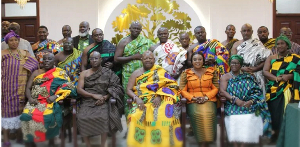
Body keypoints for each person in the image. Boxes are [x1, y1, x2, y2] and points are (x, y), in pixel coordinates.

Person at [126, 51, 183, 147]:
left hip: (160, 98)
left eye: (150, 58)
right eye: (145, 58)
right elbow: (128, 89)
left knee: (164, 115)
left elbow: (172, 84)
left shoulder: (161, 71)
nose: (148, 60)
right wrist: (136, 98)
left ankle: (164, 143)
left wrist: (160, 96)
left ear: (154, 59)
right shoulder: (136, 73)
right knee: (135, 116)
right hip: (141, 100)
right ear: (141, 60)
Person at [20, 53, 77, 146]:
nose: (46, 61)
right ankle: (31, 143)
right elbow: (28, 88)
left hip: (50, 102)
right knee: (26, 116)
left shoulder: (59, 73)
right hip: (35, 102)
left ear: (54, 61)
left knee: (49, 117)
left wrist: (55, 96)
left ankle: (51, 142)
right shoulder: (36, 73)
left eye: (49, 59)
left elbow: (69, 86)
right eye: (45, 59)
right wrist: (30, 98)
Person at [220, 55, 272, 147]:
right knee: (234, 118)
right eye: (232, 63)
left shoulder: (248, 76)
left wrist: (251, 101)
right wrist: (235, 100)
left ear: (241, 65)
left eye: (237, 63)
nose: (234, 65)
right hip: (233, 104)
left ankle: (243, 144)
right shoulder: (225, 77)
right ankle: (235, 144)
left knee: (250, 117)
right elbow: (222, 92)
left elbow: (256, 91)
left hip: (247, 103)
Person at [77, 51, 124, 147]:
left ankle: (104, 144)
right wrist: (92, 95)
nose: (94, 60)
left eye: (96, 58)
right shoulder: (84, 73)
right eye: (92, 58)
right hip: (88, 100)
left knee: (103, 117)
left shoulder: (108, 72)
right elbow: (79, 90)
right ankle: (88, 144)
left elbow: (117, 87)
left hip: (103, 100)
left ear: (101, 59)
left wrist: (105, 97)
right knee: (81, 117)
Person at [1, 31, 39, 147]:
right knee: (6, 112)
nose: (14, 42)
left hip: (21, 87)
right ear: (7, 42)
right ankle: (6, 138)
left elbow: (35, 63)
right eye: (11, 40)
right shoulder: (2, 54)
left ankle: (19, 137)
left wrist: (26, 68)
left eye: (16, 40)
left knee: (20, 112)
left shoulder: (24, 53)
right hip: (6, 88)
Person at [263, 35, 300, 142]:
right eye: (277, 44)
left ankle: (286, 136)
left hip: (289, 88)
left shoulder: (295, 58)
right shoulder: (271, 58)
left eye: (282, 43)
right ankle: (275, 135)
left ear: (287, 45)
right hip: (273, 89)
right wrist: (276, 78)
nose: (279, 46)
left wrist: (289, 76)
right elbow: (265, 71)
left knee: (286, 113)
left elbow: (298, 72)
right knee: (274, 113)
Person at [114, 21, 153, 119]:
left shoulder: (146, 41)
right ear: (130, 29)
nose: (136, 30)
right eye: (134, 28)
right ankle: (129, 124)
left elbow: (153, 52)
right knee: (129, 99)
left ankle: (143, 123)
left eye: (138, 29)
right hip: (128, 74)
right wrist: (134, 57)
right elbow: (116, 59)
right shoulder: (123, 42)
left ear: (141, 30)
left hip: (144, 73)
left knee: (144, 96)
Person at [180, 52, 218, 147]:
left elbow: (216, 88)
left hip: (208, 99)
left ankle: (208, 140)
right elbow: (182, 90)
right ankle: (201, 142)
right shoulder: (186, 73)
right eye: (195, 59)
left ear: (203, 61)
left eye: (200, 59)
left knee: (209, 113)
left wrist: (206, 97)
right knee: (198, 114)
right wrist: (193, 98)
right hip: (193, 100)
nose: (197, 61)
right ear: (192, 61)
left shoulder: (211, 71)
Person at [231, 23, 271, 95]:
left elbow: (266, 60)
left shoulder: (258, 43)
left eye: (248, 31)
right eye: (244, 31)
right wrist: (242, 69)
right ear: (241, 32)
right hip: (240, 72)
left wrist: (255, 69)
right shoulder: (236, 44)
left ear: (252, 32)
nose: (246, 33)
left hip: (257, 73)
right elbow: (232, 61)